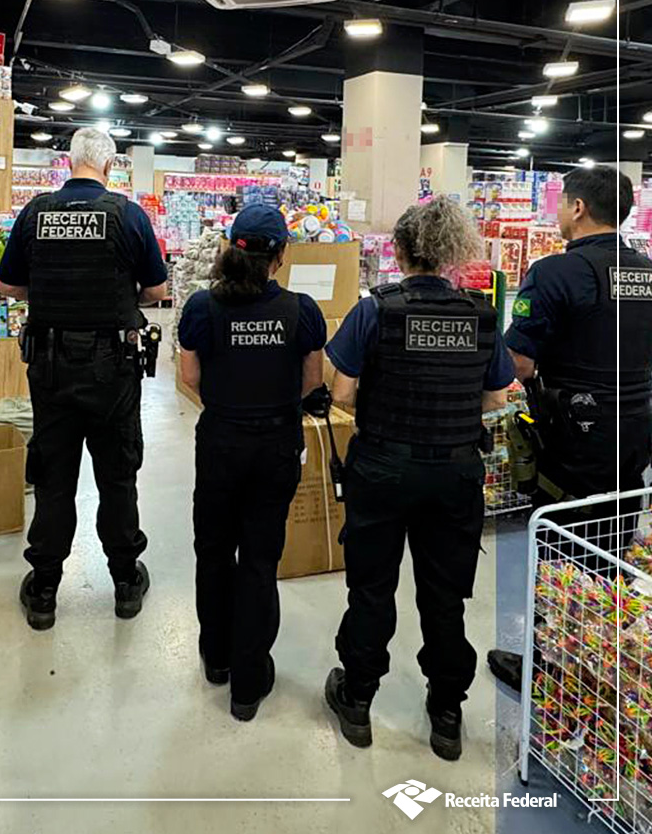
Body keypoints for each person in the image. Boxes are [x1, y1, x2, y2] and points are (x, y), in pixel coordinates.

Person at [324, 195, 514, 761]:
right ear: (452, 252)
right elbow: (497, 398)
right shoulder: (480, 315)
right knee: (445, 594)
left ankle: (358, 698)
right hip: (454, 472)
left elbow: (341, 393)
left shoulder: (375, 311)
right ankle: (447, 713)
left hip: (382, 467)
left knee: (371, 587)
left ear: (400, 250)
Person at [488, 166, 652, 692]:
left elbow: (518, 361)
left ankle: (551, 667)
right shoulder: (646, 271)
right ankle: (607, 659)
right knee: (613, 538)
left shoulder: (555, 272)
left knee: (562, 544)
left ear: (578, 208)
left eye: (561, 203)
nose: (557, 212)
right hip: (637, 428)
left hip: (575, 431)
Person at [0, 128, 167, 631]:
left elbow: (8, 284)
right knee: (117, 475)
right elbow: (157, 290)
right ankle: (124, 582)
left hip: (50, 368)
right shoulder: (128, 216)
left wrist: (48, 293)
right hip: (113, 368)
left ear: (68, 163)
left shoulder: (35, 213)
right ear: (110, 166)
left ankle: (45, 590)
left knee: (54, 478)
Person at [177, 205, 326, 722]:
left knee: (213, 550)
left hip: (220, 440)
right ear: (280, 255)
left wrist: (227, 404)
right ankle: (248, 681)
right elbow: (313, 380)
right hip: (276, 445)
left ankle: (216, 656)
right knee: (260, 558)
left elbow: (189, 376)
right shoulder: (301, 310)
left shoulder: (202, 306)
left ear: (230, 247)